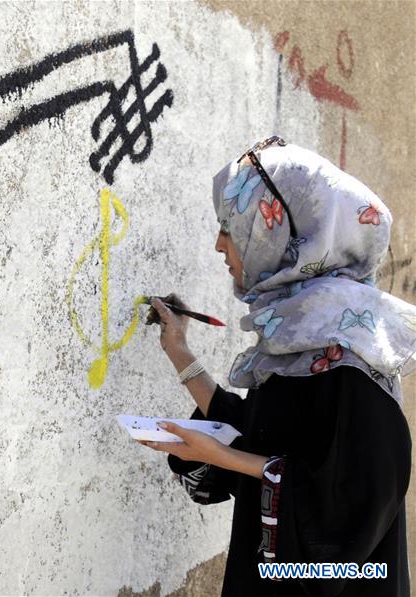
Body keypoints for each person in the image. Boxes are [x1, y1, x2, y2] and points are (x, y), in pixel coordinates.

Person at [137, 136, 416, 596]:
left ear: (283, 236)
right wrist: (180, 354)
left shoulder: (351, 354)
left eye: (232, 227)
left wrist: (220, 457)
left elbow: (346, 512)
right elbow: (265, 436)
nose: (218, 244)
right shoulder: (302, 336)